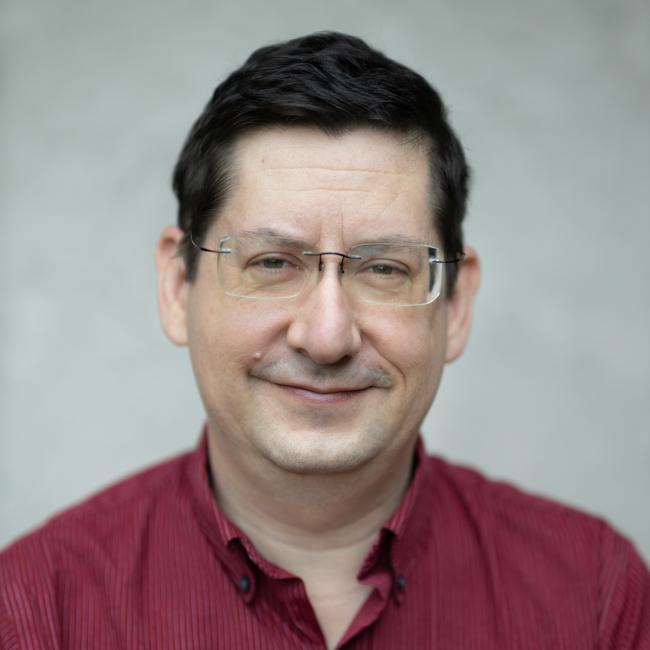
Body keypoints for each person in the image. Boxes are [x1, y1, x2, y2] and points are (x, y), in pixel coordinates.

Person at [1, 31, 648, 650]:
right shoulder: (37, 610)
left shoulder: (594, 595)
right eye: (273, 264)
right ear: (177, 286)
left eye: (385, 269)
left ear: (455, 303)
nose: (327, 337)